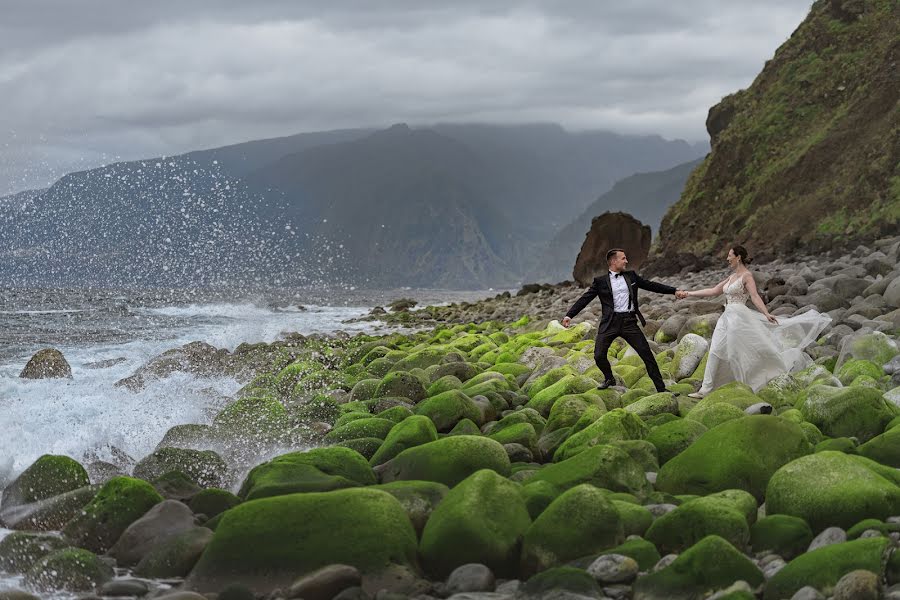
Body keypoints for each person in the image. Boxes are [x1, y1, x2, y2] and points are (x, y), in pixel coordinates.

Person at [682, 245, 831, 399]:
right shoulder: (731, 277)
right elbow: (713, 291)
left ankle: (745, 387)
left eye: (729, 255)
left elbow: (754, 296)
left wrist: (766, 313)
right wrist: (688, 293)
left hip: (739, 318)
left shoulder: (747, 276)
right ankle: (705, 390)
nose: (727, 259)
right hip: (726, 318)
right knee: (714, 351)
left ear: (738, 257)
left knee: (737, 353)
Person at [562, 248, 687, 394]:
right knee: (599, 355)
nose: (626, 261)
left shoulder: (631, 276)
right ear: (614, 261)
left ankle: (661, 389)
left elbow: (651, 285)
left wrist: (674, 290)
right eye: (623, 258)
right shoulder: (600, 281)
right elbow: (585, 298)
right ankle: (609, 378)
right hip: (609, 323)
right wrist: (569, 315)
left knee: (647, 355)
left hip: (629, 322)